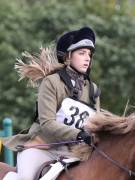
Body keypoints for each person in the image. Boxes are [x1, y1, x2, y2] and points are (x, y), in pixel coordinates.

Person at [3, 26, 101, 180]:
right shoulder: (51, 82)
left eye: (89, 54)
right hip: (42, 148)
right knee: (26, 177)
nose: (88, 58)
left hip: (74, 153)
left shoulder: (93, 90)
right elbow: (48, 124)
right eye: (82, 53)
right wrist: (79, 134)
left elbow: (96, 125)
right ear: (68, 57)